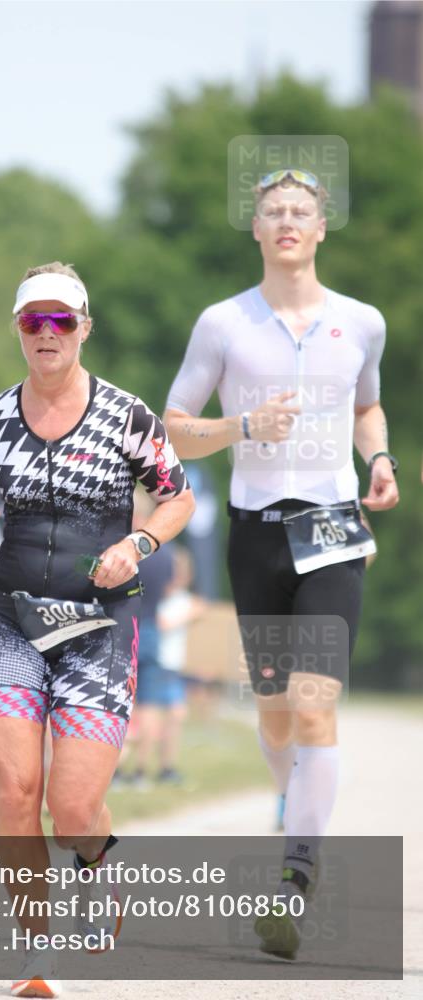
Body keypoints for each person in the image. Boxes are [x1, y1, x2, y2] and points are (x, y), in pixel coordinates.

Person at [0, 262, 194, 997]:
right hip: (10, 623)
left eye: (61, 320)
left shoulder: (126, 414)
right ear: (18, 330)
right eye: (32, 320)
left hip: (98, 623)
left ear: (84, 327)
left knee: (73, 808)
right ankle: (35, 954)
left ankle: (98, 864)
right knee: (16, 792)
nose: (46, 332)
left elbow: (177, 498)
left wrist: (139, 542)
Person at [164, 168, 399, 960]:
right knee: (273, 716)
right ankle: (298, 811)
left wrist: (380, 458)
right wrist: (243, 426)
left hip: (333, 526)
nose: (288, 221)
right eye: (274, 212)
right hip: (256, 532)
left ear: (321, 228)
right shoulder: (223, 323)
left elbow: (366, 405)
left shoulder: (362, 321)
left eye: (302, 210)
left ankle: (295, 876)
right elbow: (173, 426)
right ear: (257, 230)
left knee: (312, 705)